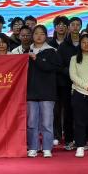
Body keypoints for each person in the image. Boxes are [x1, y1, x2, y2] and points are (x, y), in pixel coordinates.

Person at [26, 25, 61, 158]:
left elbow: (53, 68)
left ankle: (47, 147)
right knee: (31, 123)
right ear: (32, 36)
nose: (39, 36)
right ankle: (33, 147)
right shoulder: (26, 52)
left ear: (46, 36)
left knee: (47, 123)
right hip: (31, 93)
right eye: (36, 33)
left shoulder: (52, 51)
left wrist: (36, 58)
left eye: (42, 34)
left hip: (47, 92)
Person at [55, 16, 83, 150]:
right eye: (73, 24)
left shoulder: (85, 43)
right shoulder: (63, 46)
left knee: (82, 113)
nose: (75, 27)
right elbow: (59, 66)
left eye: (78, 24)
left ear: (81, 27)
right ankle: (69, 140)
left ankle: (82, 140)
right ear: (69, 27)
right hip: (67, 84)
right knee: (68, 113)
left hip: (83, 84)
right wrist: (72, 74)